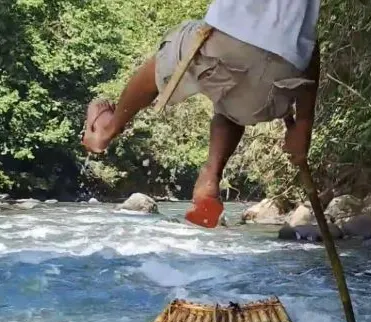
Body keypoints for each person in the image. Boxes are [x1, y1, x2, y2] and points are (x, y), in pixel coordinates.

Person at [83, 1, 321, 228]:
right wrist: (303, 127)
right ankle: (210, 177)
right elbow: (310, 44)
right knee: (232, 102)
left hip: (230, 37)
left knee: (175, 45)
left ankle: (109, 127)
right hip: (283, 73)